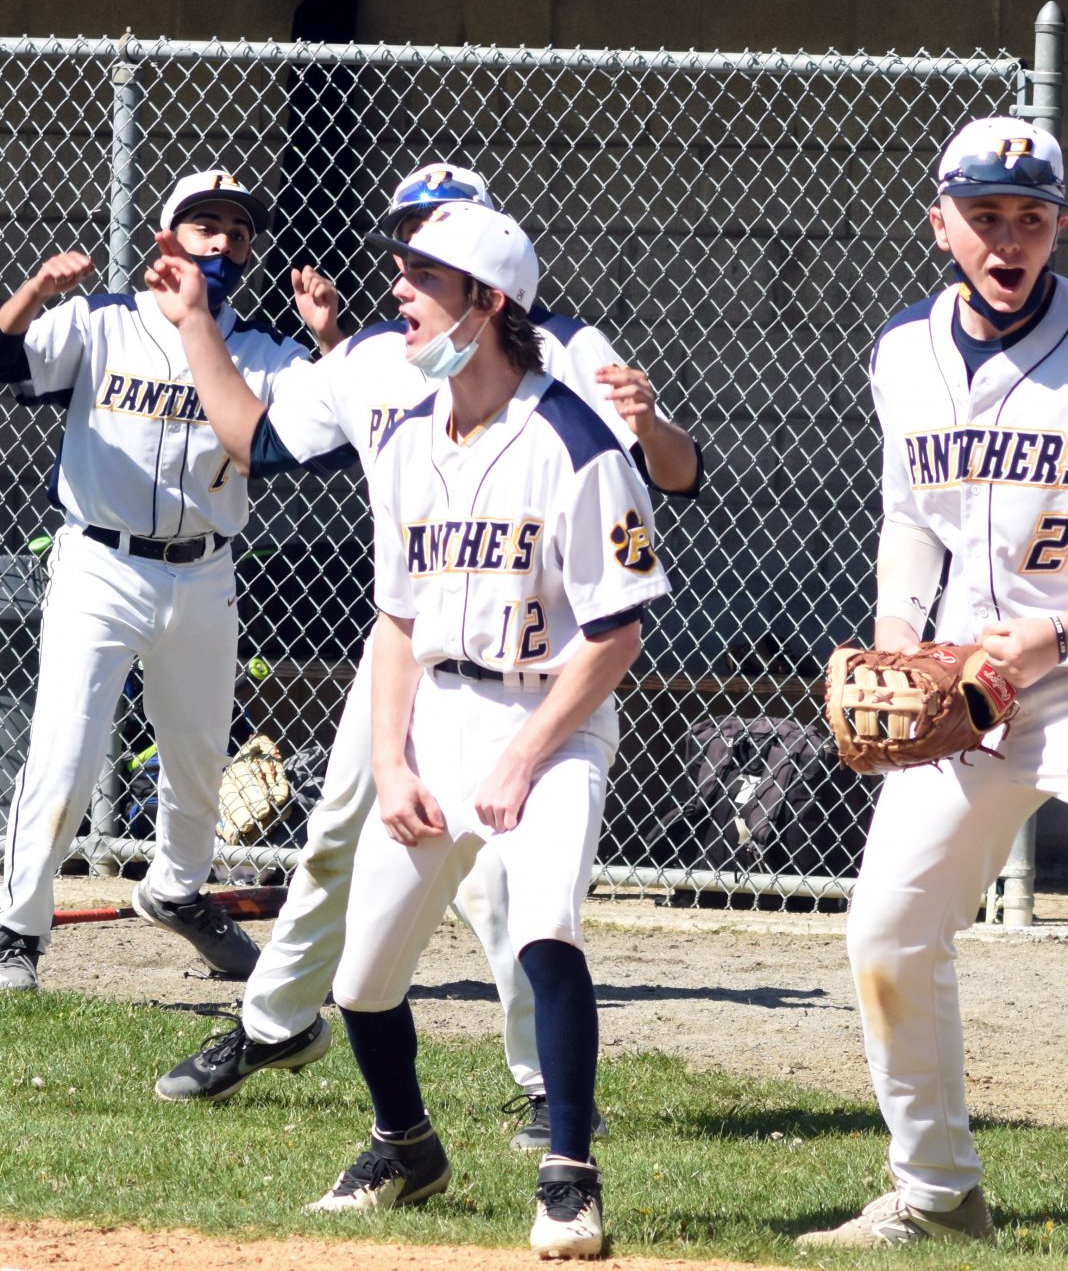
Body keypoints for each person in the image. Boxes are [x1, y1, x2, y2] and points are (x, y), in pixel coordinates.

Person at [151, 164, 698, 1160]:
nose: (405, 266)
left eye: (433, 246)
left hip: (535, 658)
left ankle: (544, 1090)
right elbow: (255, 439)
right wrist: (196, 325)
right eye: (403, 236)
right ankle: (282, 1024)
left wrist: (652, 420)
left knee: (505, 885)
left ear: (488, 274)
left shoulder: (564, 353)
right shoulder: (371, 357)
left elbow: (673, 476)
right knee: (339, 842)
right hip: (409, 635)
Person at [799, 116, 1068, 1271]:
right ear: (940, 221)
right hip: (964, 698)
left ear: (1058, 225)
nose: (1008, 238)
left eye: (1030, 217)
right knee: (886, 932)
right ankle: (936, 1188)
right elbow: (910, 518)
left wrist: (1049, 635)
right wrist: (903, 635)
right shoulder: (901, 351)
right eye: (985, 216)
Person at [0, 170, 325, 993]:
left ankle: (177, 893)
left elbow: (341, 419)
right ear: (166, 239)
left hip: (204, 572)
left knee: (195, 764)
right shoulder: (102, 322)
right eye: (204, 223)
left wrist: (328, 338)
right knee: (65, 762)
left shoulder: (255, 350)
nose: (222, 240)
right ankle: (17, 932)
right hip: (98, 566)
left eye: (238, 230)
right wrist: (37, 287)